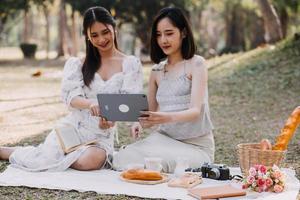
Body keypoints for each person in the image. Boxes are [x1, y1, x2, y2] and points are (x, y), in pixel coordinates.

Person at [0, 6, 143, 171]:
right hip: (73, 128)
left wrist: (113, 121)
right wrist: (90, 103)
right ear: (88, 37)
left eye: (105, 32)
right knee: (42, 161)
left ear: (114, 28)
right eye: (94, 35)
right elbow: (71, 98)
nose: (101, 39)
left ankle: (52, 154)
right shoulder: (78, 64)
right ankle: (10, 152)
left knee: (91, 161)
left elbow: (129, 102)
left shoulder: (130, 64)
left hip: (100, 136)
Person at [113, 7, 214, 173]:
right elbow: (150, 113)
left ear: (183, 33)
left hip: (195, 146)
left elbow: (195, 111)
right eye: (158, 35)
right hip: (162, 140)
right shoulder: (156, 71)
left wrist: (163, 117)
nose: (163, 40)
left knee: (154, 163)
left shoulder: (197, 64)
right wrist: (138, 122)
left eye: (169, 33)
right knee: (122, 158)